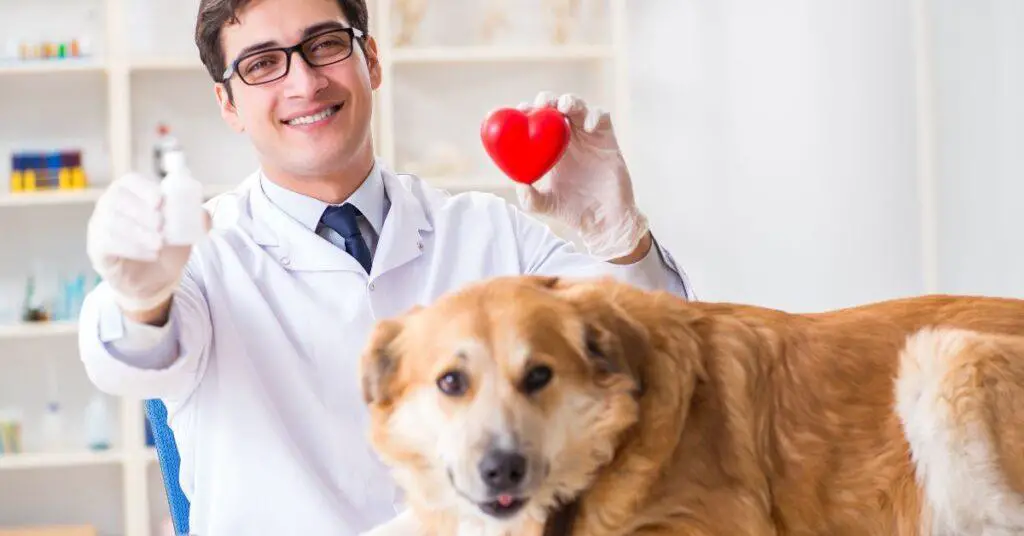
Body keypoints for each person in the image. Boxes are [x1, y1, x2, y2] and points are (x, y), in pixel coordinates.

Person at [78, 0, 695, 534]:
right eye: (263, 63)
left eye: (324, 45)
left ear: (370, 59)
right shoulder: (204, 253)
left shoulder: (485, 230)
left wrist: (617, 234)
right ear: (229, 103)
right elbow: (133, 357)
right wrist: (139, 297)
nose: (304, 82)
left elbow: (659, 355)